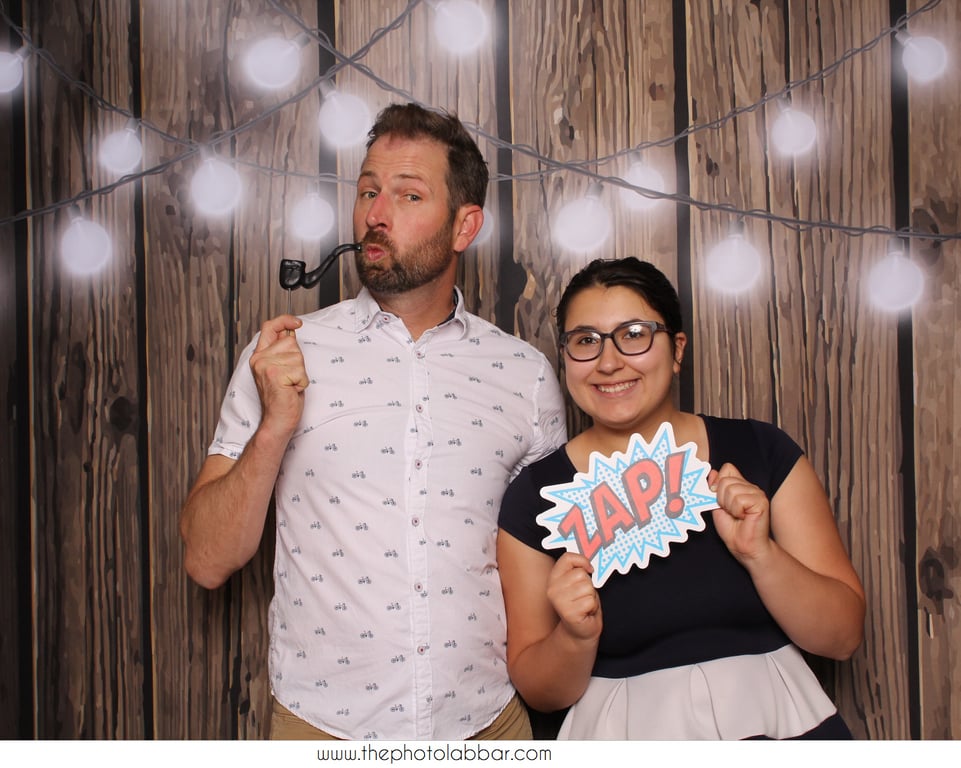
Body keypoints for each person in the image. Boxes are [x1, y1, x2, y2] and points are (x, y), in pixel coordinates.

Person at [179, 103, 567, 741]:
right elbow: (206, 561)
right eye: (367, 192)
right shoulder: (282, 355)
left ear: (465, 225)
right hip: (322, 729)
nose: (375, 215)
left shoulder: (523, 376)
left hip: (488, 727)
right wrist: (276, 425)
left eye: (408, 195)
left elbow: (553, 562)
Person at [497, 257, 865, 739]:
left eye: (634, 334)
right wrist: (573, 635)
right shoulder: (535, 498)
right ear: (565, 357)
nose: (609, 362)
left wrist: (761, 554)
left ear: (676, 349)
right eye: (585, 341)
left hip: (779, 724)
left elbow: (842, 638)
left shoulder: (761, 451)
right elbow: (541, 693)